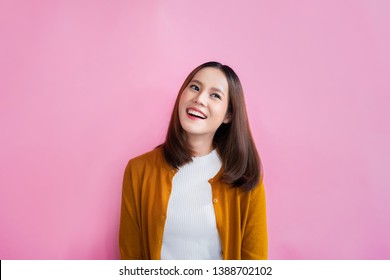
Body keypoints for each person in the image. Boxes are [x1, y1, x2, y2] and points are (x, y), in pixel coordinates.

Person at [119, 61, 267, 260]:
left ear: (228, 115)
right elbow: (131, 258)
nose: (199, 99)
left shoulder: (246, 179)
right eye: (195, 87)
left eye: (215, 95)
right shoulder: (138, 171)